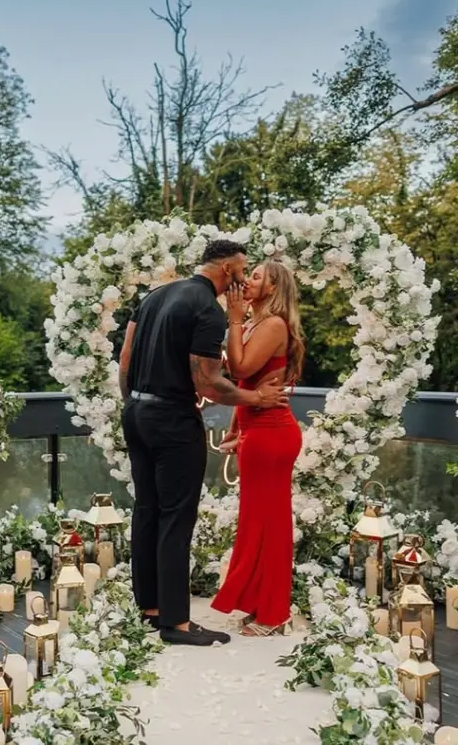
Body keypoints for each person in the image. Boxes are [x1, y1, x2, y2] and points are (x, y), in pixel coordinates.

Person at [118, 240, 289, 646]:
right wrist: (255, 398)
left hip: (136, 414)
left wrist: (134, 405)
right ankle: (176, 623)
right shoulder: (207, 310)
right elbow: (209, 382)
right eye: (243, 270)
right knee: (176, 517)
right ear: (227, 268)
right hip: (173, 421)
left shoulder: (156, 295)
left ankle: (150, 608)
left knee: (146, 510)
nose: (245, 278)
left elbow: (125, 358)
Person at [211, 260, 305, 636]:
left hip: (273, 435)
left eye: (254, 276)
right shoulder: (254, 323)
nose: (245, 281)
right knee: (256, 524)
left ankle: (273, 613)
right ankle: (257, 603)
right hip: (256, 433)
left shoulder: (273, 325)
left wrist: (233, 319)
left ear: (273, 287)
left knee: (271, 524)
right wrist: (237, 431)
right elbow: (245, 384)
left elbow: (240, 365)